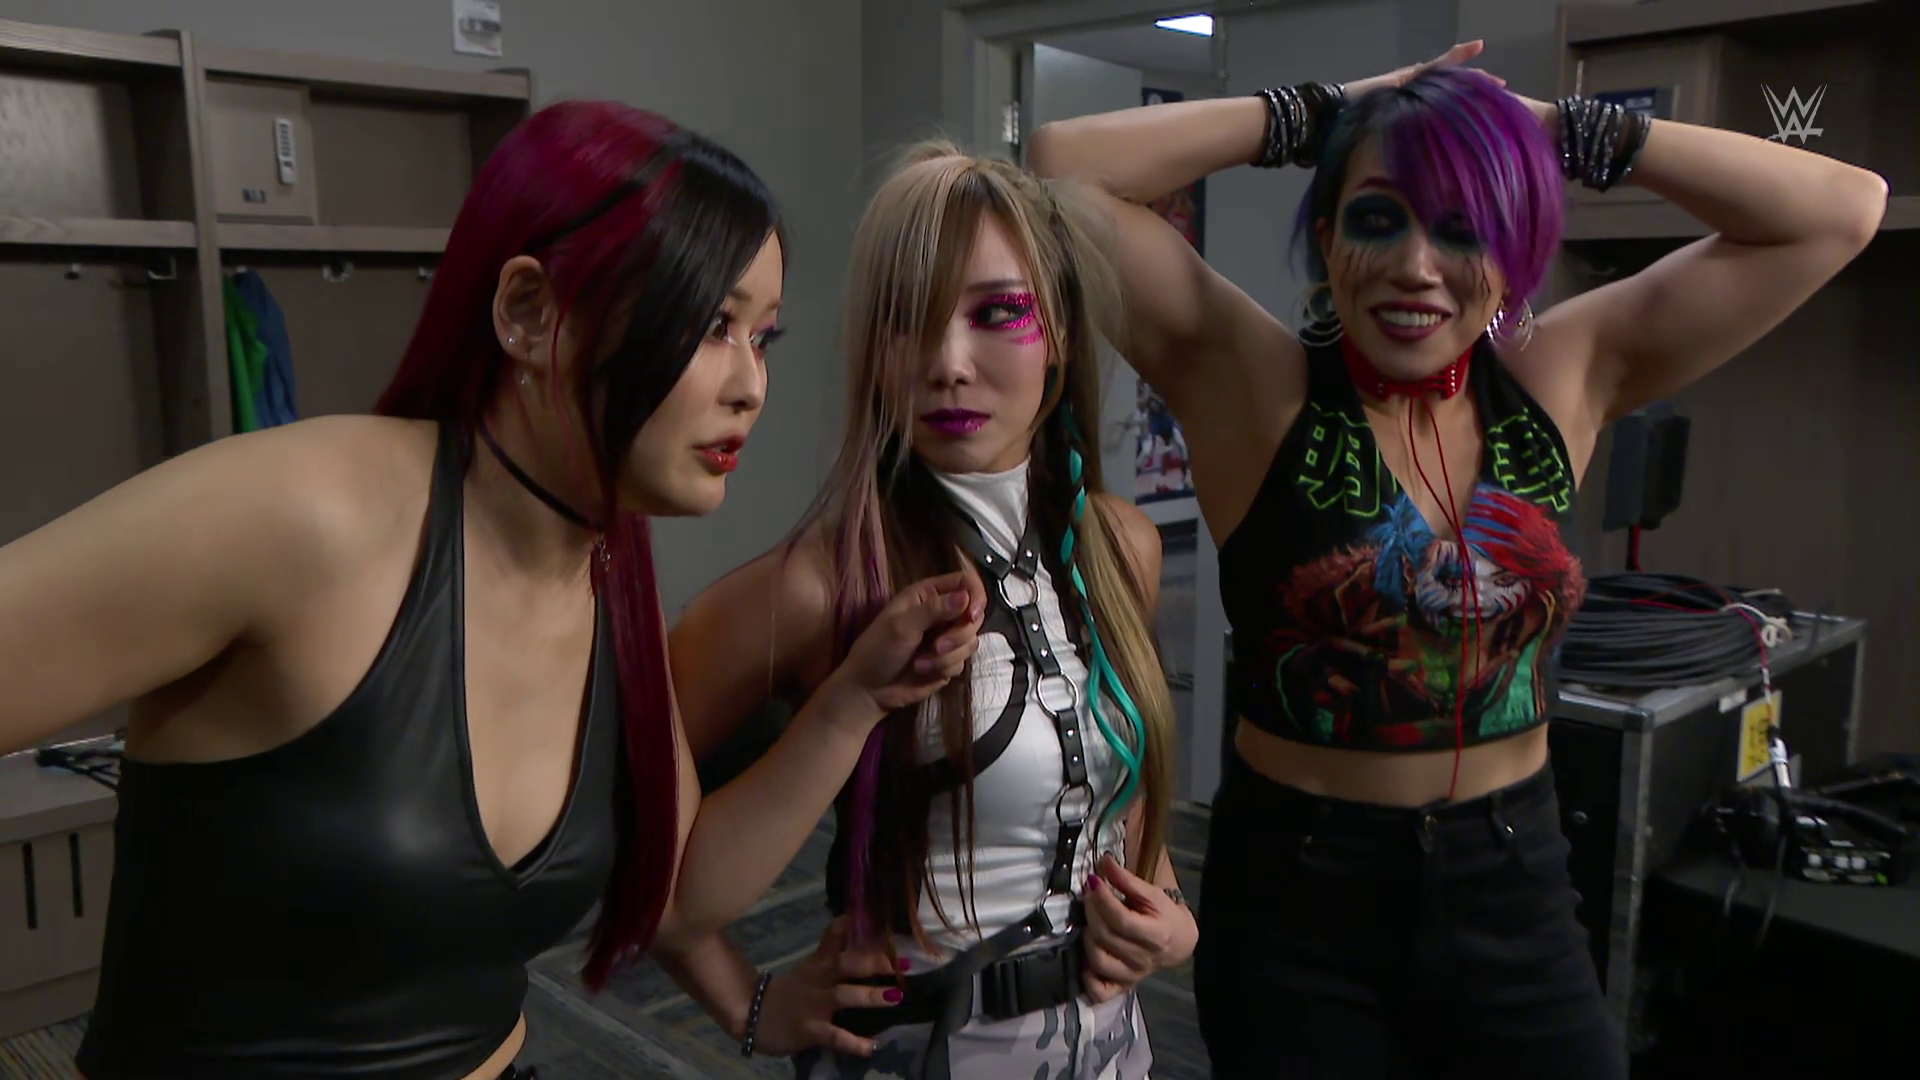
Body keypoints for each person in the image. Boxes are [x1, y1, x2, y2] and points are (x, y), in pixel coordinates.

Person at [0, 101, 982, 1080]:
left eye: (763, 337)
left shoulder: (608, 582)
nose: (751, 387)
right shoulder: (304, 515)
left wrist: (851, 701)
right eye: (710, 325)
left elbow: (679, 893)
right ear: (527, 312)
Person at [1029, 41, 1886, 1080]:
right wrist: (1335, 109)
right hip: (1304, 903)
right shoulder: (1253, 384)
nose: (1416, 265)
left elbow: (1842, 210)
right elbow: (1061, 164)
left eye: (1465, 225)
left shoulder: (1562, 374)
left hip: (1514, 884)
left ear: (1515, 251)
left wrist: (1557, 131)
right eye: (1377, 217)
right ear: (1329, 235)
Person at [655, 144, 1196, 1080]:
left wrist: (1170, 915)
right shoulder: (818, 586)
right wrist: (750, 1006)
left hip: (1117, 1053)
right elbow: (637, 853)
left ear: (1062, 332)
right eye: (907, 319)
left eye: (996, 313)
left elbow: (1120, 791)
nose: (947, 364)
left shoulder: (1121, 547)